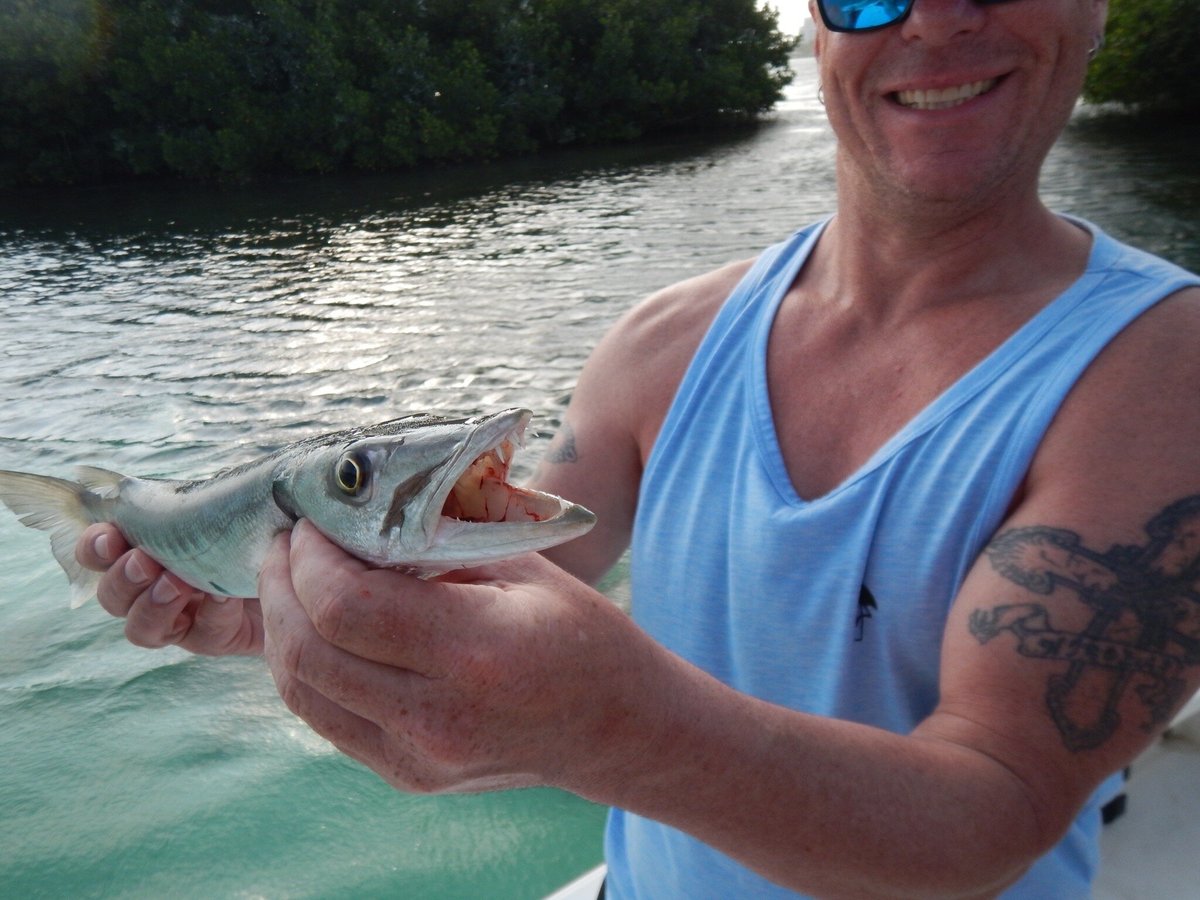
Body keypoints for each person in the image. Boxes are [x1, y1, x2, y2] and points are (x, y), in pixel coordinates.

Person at [76, 0, 1200, 896]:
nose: (940, 18)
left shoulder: (1166, 369)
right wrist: (271, 606)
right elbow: (502, 569)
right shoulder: (663, 343)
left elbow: (991, 818)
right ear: (814, 25)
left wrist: (616, 733)